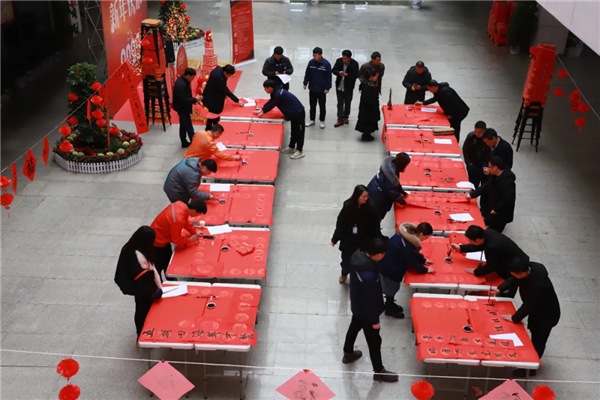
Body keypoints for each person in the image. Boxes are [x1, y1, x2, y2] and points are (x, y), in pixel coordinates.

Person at [491, 258, 560, 378]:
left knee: (538, 340)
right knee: (534, 333)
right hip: (537, 310)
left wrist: (514, 318)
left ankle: (531, 368)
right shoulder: (529, 268)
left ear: (523, 273)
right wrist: (500, 288)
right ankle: (529, 361)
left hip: (546, 315)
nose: (514, 276)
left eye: (516, 274)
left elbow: (529, 305)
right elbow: (514, 278)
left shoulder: (538, 285)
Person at [342, 238, 398, 383]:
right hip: (367, 312)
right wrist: (375, 321)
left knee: (354, 327)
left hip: (357, 304)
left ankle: (348, 353)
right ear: (379, 254)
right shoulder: (368, 276)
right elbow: (369, 300)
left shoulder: (358, 256)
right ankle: (379, 371)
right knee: (374, 341)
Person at [451, 225, 529, 298]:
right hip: (508, 257)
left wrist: (476, 271)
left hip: (516, 267)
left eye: (470, 240)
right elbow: (480, 245)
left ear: (477, 239)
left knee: (508, 288)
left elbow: (491, 266)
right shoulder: (487, 233)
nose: (470, 242)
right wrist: (461, 248)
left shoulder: (493, 247)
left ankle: (506, 297)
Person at [378, 222, 435, 318]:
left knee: (391, 288)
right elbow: (411, 260)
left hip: (389, 263)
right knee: (391, 288)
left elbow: (414, 252)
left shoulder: (408, 235)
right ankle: (389, 309)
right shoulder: (406, 244)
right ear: (421, 234)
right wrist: (425, 270)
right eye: (426, 237)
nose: (426, 239)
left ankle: (390, 303)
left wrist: (423, 260)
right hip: (390, 268)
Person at [115, 226, 163, 337]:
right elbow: (146, 285)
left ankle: (141, 332)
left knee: (140, 309)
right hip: (141, 288)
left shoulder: (130, 247)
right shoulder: (139, 261)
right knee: (143, 310)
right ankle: (142, 334)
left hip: (137, 285)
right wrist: (157, 291)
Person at [331, 185, 382, 284]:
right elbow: (341, 223)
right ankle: (344, 273)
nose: (366, 199)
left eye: (367, 196)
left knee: (362, 260)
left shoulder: (371, 208)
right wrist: (335, 238)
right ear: (357, 196)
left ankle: (357, 277)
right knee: (346, 259)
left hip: (363, 240)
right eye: (363, 197)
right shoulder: (348, 206)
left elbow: (375, 226)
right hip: (349, 239)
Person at [150, 200, 207, 278]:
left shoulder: (180, 204)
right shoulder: (178, 219)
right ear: (194, 211)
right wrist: (190, 239)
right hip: (157, 241)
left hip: (159, 232)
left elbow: (186, 222)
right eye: (199, 214)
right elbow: (176, 240)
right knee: (161, 264)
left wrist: (194, 232)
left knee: (168, 260)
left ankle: (170, 278)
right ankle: (162, 282)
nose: (198, 216)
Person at [256, 79, 306, 160]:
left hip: (298, 112)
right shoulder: (275, 92)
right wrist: (262, 109)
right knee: (294, 130)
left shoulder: (278, 94)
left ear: (270, 88)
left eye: (265, 89)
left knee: (299, 132)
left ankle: (300, 150)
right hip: (292, 114)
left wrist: (263, 112)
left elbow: (273, 104)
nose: (265, 91)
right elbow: (271, 101)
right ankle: (291, 147)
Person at [467, 156, 516, 233]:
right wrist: (472, 195)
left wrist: (497, 210)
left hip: (500, 214)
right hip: (492, 208)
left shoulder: (507, 182)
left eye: (489, 167)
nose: (488, 169)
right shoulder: (494, 175)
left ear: (495, 168)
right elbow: (486, 186)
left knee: (492, 232)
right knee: (483, 223)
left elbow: (508, 199)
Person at [367, 153, 411, 220]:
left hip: (373, 190)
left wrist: (402, 191)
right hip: (378, 198)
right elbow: (391, 191)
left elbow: (395, 183)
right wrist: (401, 200)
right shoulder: (391, 175)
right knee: (375, 217)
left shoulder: (390, 166)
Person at [202, 64, 242, 130]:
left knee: (211, 113)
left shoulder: (219, 69)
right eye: (229, 75)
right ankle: (214, 128)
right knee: (215, 114)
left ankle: (209, 127)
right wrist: (237, 100)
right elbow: (225, 90)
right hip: (212, 98)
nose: (228, 77)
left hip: (212, 93)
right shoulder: (219, 78)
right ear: (225, 72)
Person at [303, 47, 331, 129]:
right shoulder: (311, 62)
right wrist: (305, 83)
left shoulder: (326, 64)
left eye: (315, 55)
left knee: (322, 106)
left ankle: (322, 120)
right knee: (312, 105)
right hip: (312, 88)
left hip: (322, 89)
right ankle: (312, 120)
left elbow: (328, 77)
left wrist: (327, 87)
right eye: (313, 55)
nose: (314, 57)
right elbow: (307, 73)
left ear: (320, 55)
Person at [172, 68, 200, 148]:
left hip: (182, 106)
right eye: (192, 78)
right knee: (188, 126)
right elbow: (184, 99)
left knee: (183, 125)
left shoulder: (183, 80)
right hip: (182, 107)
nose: (192, 80)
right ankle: (194, 142)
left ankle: (184, 141)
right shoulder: (181, 85)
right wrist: (195, 99)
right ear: (188, 76)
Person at [332, 49, 359, 127]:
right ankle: (340, 119)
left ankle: (346, 116)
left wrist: (348, 75)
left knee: (348, 102)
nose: (344, 60)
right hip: (339, 86)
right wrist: (338, 72)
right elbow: (333, 70)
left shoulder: (354, 64)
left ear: (349, 58)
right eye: (343, 58)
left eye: (346, 59)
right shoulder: (339, 61)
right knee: (340, 103)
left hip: (348, 87)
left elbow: (356, 75)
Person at [355, 69, 381, 142]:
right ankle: (366, 134)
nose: (377, 78)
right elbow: (366, 99)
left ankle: (368, 133)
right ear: (371, 77)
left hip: (371, 107)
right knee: (367, 122)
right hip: (367, 108)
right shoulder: (367, 86)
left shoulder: (373, 84)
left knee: (370, 121)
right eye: (376, 76)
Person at [463, 121, 488, 188]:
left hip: (485, 167)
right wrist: (468, 163)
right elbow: (465, 149)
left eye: (480, 132)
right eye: (475, 131)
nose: (477, 134)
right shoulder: (471, 137)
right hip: (473, 165)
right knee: (473, 186)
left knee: (485, 187)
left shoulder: (488, 139)